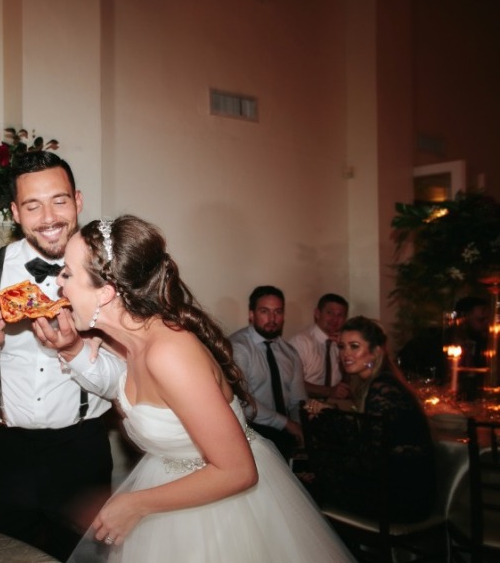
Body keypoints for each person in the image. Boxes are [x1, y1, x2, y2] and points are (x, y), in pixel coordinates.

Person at [58, 215, 355, 562]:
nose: (59, 284)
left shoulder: (170, 353)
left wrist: (134, 503)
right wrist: (89, 337)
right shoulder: (130, 339)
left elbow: (239, 471)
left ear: (106, 292)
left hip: (225, 512)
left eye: (67, 273)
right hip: (171, 497)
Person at [0, 151, 125, 561]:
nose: (49, 217)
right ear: (15, 212)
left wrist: (75, 350)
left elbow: (123, 384)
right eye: (33, 205)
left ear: (78, 200)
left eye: (59, 200)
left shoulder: (111, 276)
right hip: (4, 455)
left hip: (82, 452)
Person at [304, 316, 437, 523]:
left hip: (402, 499)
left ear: (375, 352)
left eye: (354, 346)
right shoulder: (374, 384)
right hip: (395, 488)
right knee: (308, 484)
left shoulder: (383, 388)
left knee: (305, 493)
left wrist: (328, 417)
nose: (345, 354)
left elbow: (371, 455)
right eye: (342, 347)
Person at [229, 286, 308, 460]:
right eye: (265, 311)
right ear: (251, 314)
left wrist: (300, 427)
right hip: (250, 427)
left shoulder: (290, 353)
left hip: (284, 430)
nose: (272, 318)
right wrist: (286, 423)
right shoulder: (238, 348)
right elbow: (242, 401)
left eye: (278, 312)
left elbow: (298, 400)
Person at [289, 293, 351, 401]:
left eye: (340, 315)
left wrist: (343, 347)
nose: (335, 319)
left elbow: (350, 378)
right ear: (317, 313)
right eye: (329, 313)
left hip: (334, 407)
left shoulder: (342, 342)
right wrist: (329, 391)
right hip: (305, 406)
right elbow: (291, 382)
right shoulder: (301, 342)